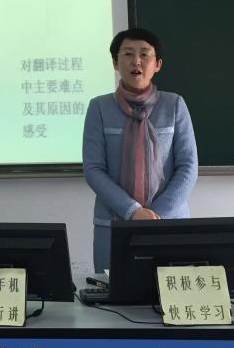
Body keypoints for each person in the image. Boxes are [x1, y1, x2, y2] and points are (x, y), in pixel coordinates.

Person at [82, 27, 198, 273]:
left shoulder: (174, 105)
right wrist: (133, 211)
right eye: (128, 54)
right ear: (115, 63)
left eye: (144, 54)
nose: (136, 61)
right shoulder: (99, 108)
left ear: (157, 64)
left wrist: (155, 215)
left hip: (169, 222)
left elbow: (188, 167)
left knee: (169, 289)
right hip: (113, 223)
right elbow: (94, 170)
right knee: (113, 291)